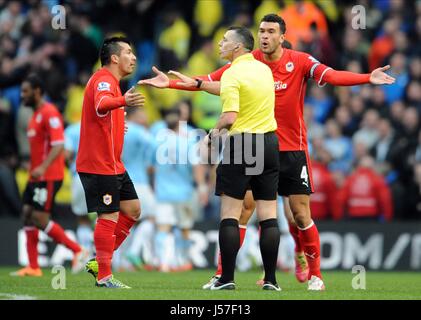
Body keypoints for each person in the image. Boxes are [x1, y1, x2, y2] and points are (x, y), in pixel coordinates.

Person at [139, 14, 395, 291]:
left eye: (271, 31)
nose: (265, 36)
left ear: (282, 36)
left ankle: (314, 274)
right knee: (246, 211)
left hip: (292, 148)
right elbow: (209, 81)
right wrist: (173, 83)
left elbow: (331, 75)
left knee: (299, 213)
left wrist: (368, 77)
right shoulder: (251, 62)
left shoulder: (300, 61)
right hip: (258, 146)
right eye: (262, 31)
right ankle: (225, 274)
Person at [200, 26, 280, 291]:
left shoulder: (233, 72)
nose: (220, 44)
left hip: (243, 142)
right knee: (268, 215)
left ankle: (226, 279)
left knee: (230, 215)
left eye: (224, 40)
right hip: (269, 142)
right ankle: (271, 280)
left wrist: (213, 132)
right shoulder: (264, 69)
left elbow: (231, 116)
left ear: (237, 47)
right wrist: (197, 83)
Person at [77, 37, 145, 289]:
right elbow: (102, 104)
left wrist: (118, 120)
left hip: (114, 164)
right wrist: (122, 102)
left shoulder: (111, 82)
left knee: (133, 210)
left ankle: (99, 261)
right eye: (128, 52)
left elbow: (103, 112)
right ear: (114, 58)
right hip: (98, 164)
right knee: (109, 214)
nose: (134, 57)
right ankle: (104, 275)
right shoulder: (104, 79)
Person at [10, 74, 87, 277]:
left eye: (26, 91)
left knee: (39, 218)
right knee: (27, 214)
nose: (22, 95)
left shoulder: (50, 112)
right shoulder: (35, 115)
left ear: (37, 91)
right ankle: (33, 266)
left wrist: (43, 168)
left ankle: (78, 250)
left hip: (49, 175)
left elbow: (59, 145)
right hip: (35, 176)